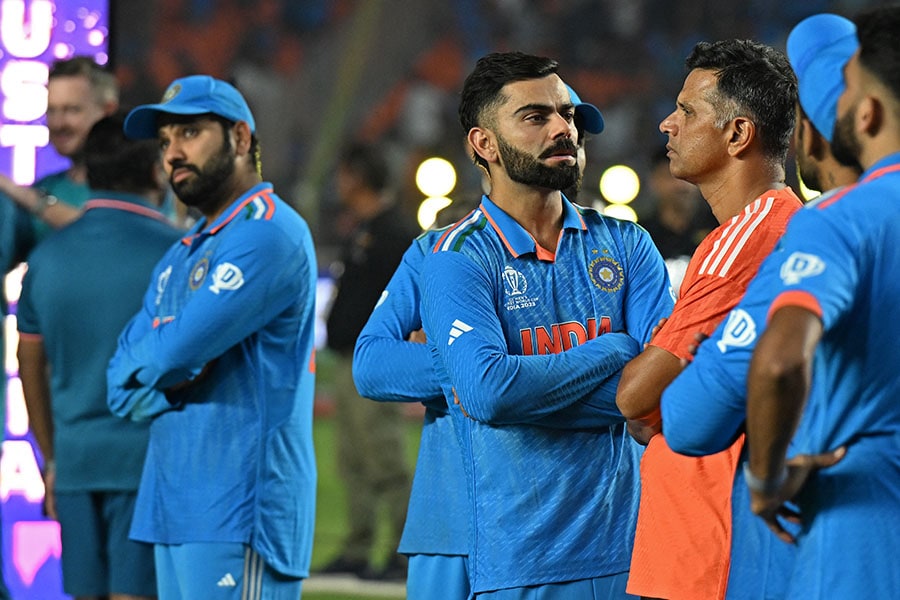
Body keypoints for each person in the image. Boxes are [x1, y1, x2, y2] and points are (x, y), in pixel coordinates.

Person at [419, 51, 674, 598]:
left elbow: (668, 391)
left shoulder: (629, 244)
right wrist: (616, 350)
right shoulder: (457, 256)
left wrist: (527, 391)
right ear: (483, 144)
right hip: (521, 562)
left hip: (633, 550)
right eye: (536, 117)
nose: (565, 129)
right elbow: (489, 392)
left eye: (569, 114)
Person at [352, 86, 605, 599]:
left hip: (572, 532)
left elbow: (645, 389)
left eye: (575, 125)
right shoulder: (435, 251)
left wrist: (507, 378)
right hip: (451, 524)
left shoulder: (613, 254)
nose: (566, 137)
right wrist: (474, 369)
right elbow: (372, 363)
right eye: (540, 119)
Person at [659, 14, 862, 600]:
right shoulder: (749, 233)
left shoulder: (802, 231)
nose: (667, 124)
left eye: (687, 111)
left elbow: (679, 409)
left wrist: (767, 475)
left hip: (752, 536)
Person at [106, 75, 318, 599]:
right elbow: (119, 387)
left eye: (190, 133)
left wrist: (167, 356)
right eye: (164, 141)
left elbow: (171, 353)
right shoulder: (183, 252)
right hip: (173, 505)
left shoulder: (268, 232)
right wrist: (171, 360)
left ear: (241, 139)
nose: (173, 153)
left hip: (239, 507)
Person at [614, 39, 802, 600]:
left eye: (688, 111)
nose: (668, 125)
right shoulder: (777, 225)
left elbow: (636, 397)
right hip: (718, 539)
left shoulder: (746, 236)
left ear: (738, 134)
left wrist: (625, 364)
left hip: (705, 542)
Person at [739, 7, 900, 598]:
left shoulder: (840, 220)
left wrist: (768, 477)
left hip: (866, 529)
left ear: (868, 111)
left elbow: (779, 362)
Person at [16, 111, 181, 600]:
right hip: (150, 465)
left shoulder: (45, 260)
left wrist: (53, 458)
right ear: (156, 172)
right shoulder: (180, 254)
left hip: (76, 462)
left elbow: (30, 366)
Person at [320, 141, 419, 581]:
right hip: (349, 360)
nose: (338, 183)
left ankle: (403, 554)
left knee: (384, 459)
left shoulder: (394, 232)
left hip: (377, 363)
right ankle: (358, 548)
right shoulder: (364, 229)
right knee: (354, 460)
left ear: (357, 177)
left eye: (344, 174)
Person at [638, 146, 717, 290]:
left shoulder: (719, 229)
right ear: (654, 181)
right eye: (671, 177)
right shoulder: (640, 236)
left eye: (688, 177)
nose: (681, 186)